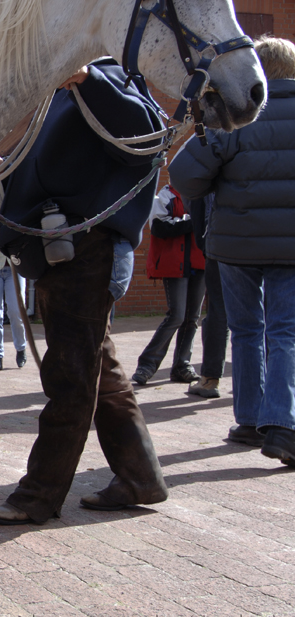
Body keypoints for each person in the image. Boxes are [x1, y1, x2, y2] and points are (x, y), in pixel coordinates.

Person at [0, 58, 169, 525]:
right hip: (60, 251)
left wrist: (89, 79)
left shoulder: (109, 78)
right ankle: (140, 477)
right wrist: (3, 172)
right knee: (97, 367)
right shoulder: (57, 92)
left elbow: (147, 141)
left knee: (71, 373)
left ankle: (39, 494)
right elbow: (47, 169)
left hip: (88, 251)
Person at [169, 37, 295, 454]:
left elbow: (184, 175)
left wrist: (215, 187)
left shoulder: (236, 119)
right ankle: (282, 424)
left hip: (236, 243)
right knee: (286, 331)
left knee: (246, 331)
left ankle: (248, 420)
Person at [131, 184, 205, 386]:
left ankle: (182, 366)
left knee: (192, 318)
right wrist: (193, 221)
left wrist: (187, 221)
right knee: (177, 316)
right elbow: (160, 228)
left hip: (200, 263)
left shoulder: (202, 194)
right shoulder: (164, 197)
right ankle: (146, 365)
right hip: (174, 265)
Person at [185, 194, 227, 398]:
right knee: (270, 318)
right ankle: (269, 384)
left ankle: (210, 380)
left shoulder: (220, 160)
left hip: (225, 238)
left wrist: (204, 241)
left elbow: (194, 189)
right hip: (278, 243)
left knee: (219, 313)